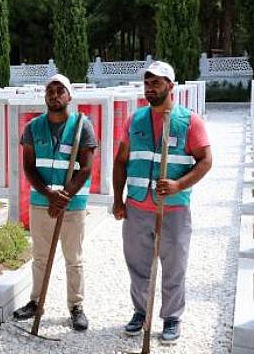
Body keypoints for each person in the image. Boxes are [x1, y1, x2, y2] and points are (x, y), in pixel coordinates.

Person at [112, 61, 212, 345]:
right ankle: (140, 312)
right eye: (147, 82)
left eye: (157, 82)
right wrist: (119, 199)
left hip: (174, 209)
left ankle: (171, 317)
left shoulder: (189, 121)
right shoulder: (135, 120)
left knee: (174, 265)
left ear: (171, 86)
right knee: (138, 265)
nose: (150, 87)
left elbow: (206, 160)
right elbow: (121, 161)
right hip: (137, 207)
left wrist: (179, 184)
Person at [12, 74, 96, 331]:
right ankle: (36, 302)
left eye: (61, 90)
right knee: (40, 255)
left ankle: (76, 306)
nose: (55, 94)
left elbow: (85, 168)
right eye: (50, 90)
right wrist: (49, 194)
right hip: (41, 201)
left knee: (74, 258)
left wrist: (63, 197)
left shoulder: (83, 125)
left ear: (69, 96)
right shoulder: (33, 128)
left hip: (73, 204)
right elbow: (28, 166)